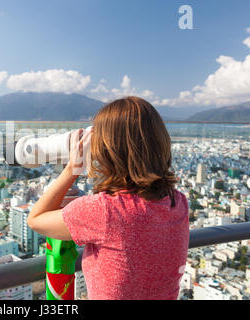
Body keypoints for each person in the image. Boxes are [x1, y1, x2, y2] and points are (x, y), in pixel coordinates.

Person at [27, 96, 190, 300]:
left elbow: (35, 219)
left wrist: (72, 169)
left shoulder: (104, 211)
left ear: (107, 151)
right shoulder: (178, 202)